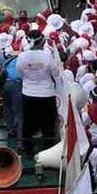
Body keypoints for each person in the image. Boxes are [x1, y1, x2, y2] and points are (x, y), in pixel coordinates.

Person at [16, 26, 60, 155]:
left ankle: (27, 147)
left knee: (28, 122)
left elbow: (19, 74)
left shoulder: (22, 57)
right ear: (42, 42)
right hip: (47, 93)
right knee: (48, 123)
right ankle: (48, 149)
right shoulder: (47, 56)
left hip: (28, 93)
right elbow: (56, 73)